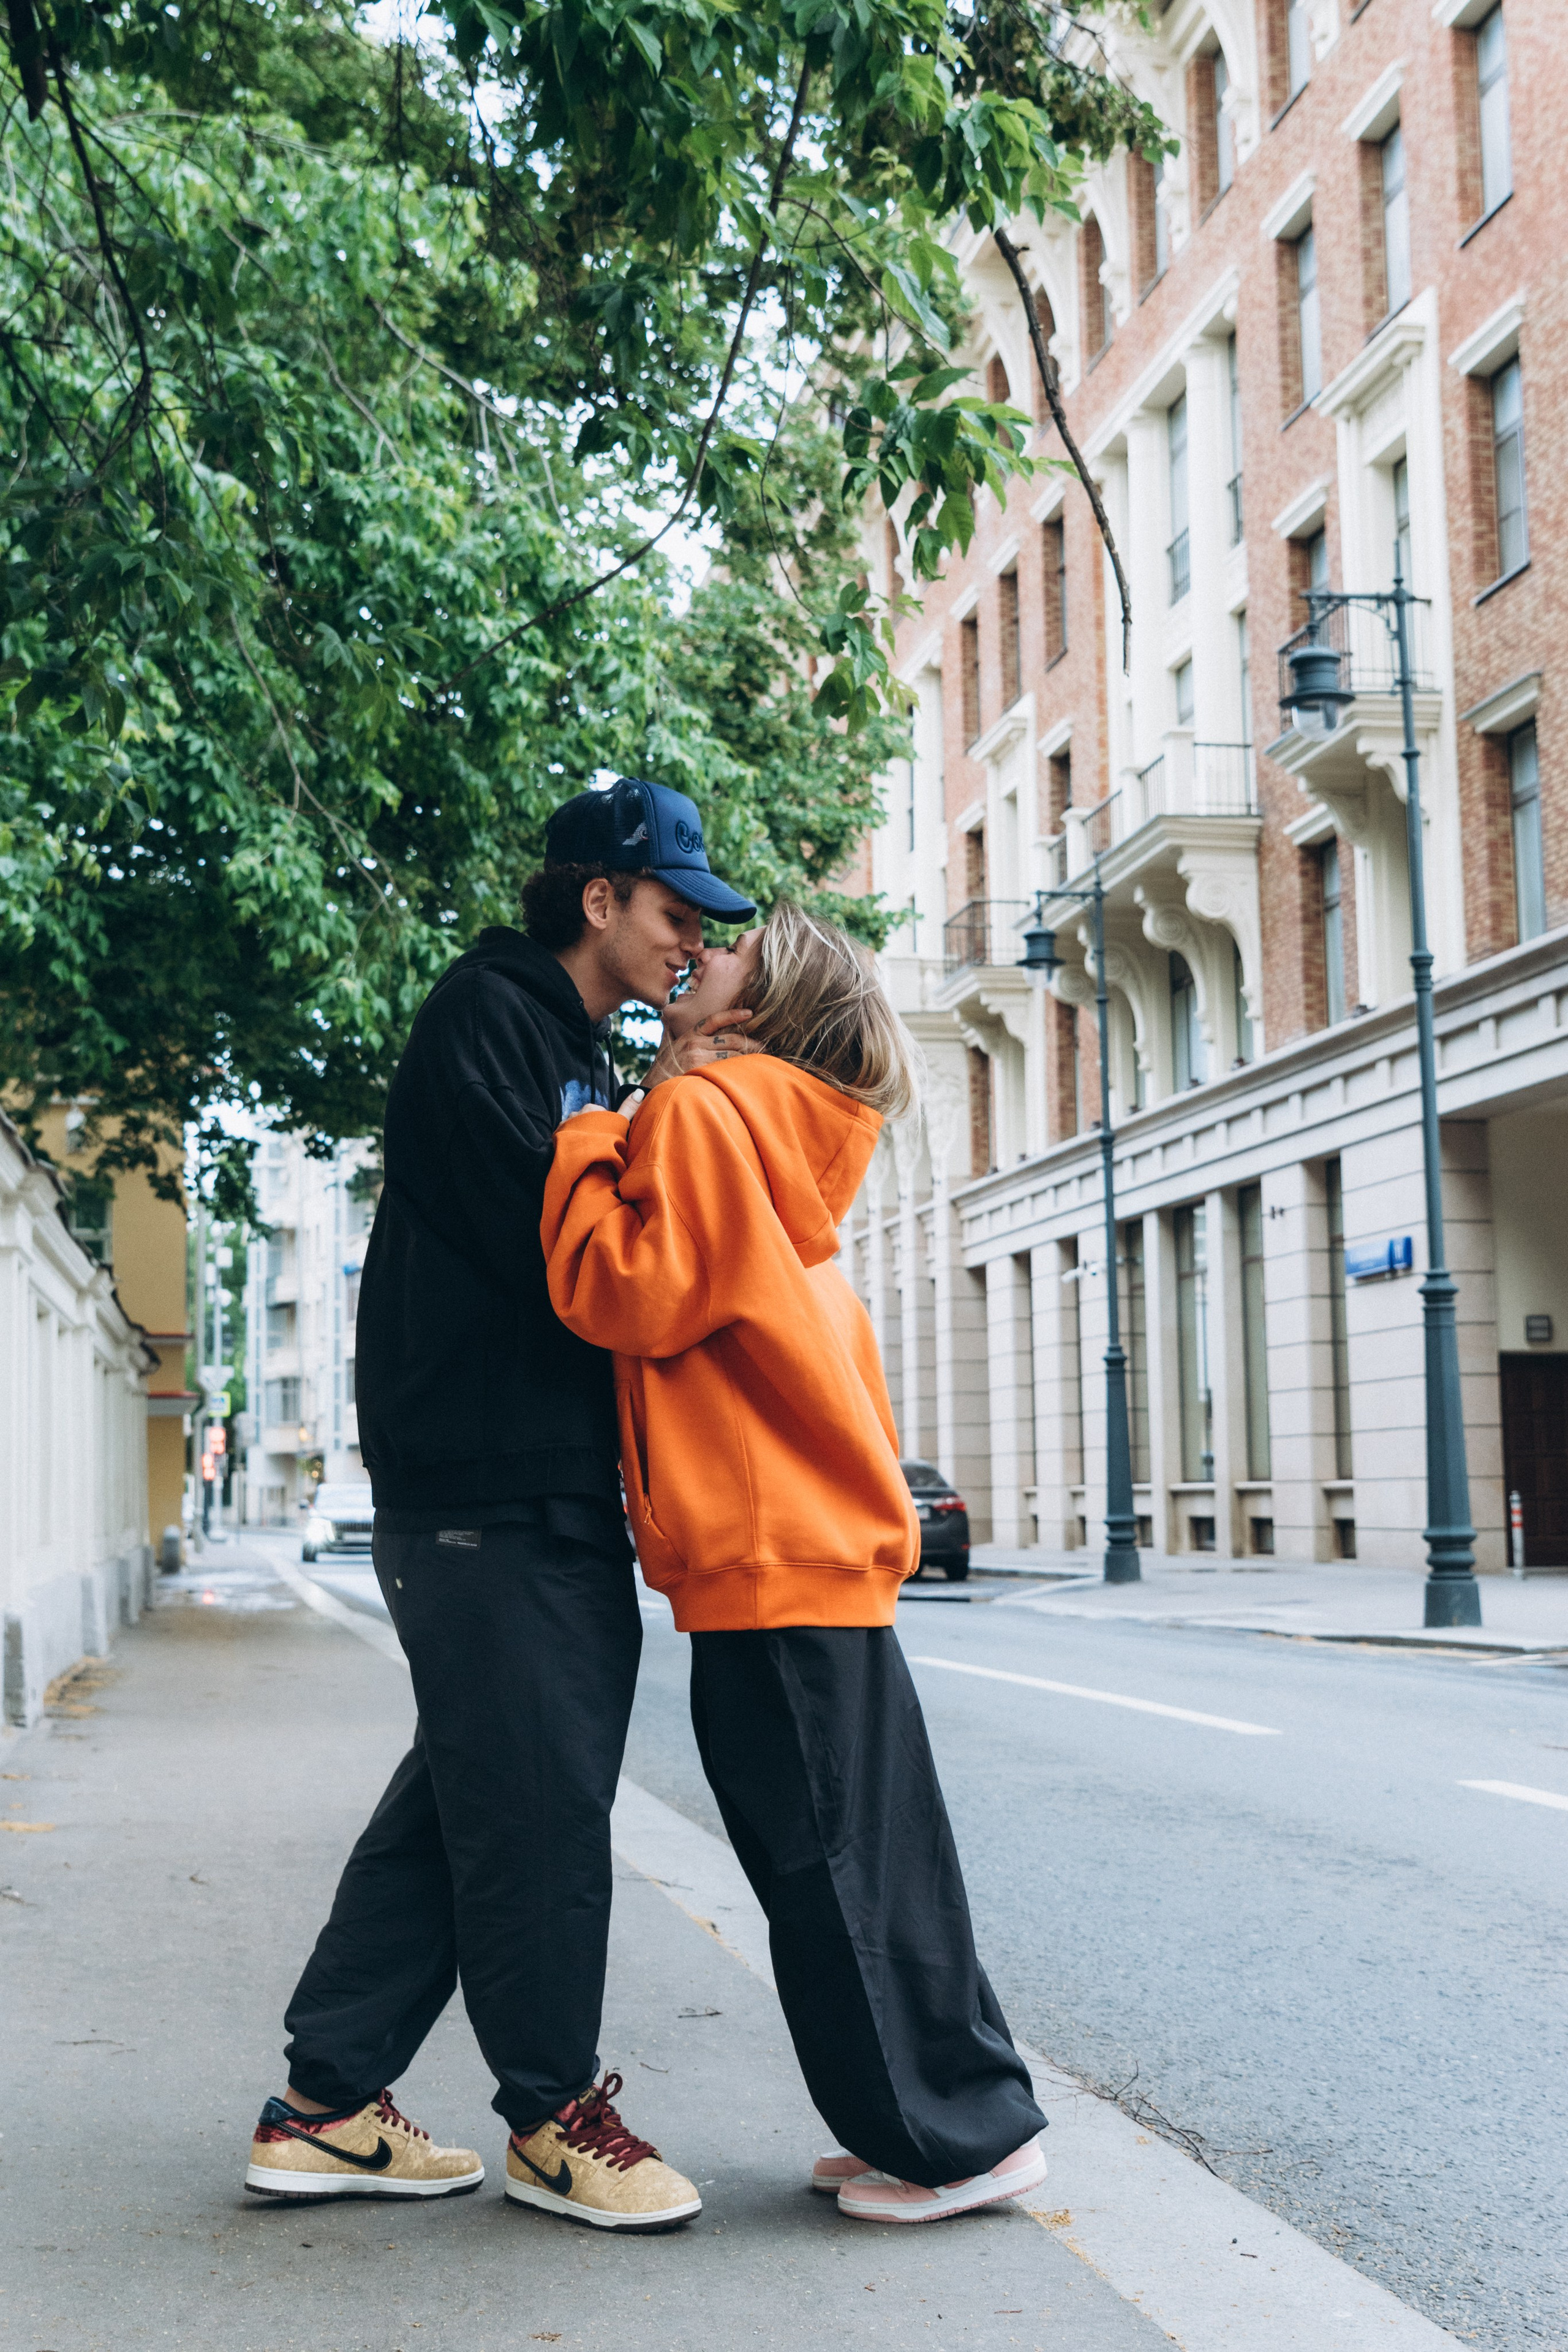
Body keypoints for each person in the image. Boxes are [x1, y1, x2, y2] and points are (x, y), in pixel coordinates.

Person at [244, 777, 758, 2230]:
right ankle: (552, 2116)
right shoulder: (492, 1018)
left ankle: (325, 2104)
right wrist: (690, 1068)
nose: (685, 945)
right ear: (596, 898)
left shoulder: (571, 1047)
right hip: (481, 1479)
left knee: (469, 1796)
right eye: (671, 914)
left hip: (528, 1478)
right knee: (534, 1803)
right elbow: (575, 1251)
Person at [541, 902, 1048, 2225]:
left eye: (724, 959)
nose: (696, 955)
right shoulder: (774, 1128)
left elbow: (623, 1293)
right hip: (799, 1563)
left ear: (750, 1012)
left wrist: (589, 1134)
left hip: (769, 1564)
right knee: (861, 1870)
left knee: (830, 1878)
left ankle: (957, 2145)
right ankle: (931, 2123)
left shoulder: (712, 1117)